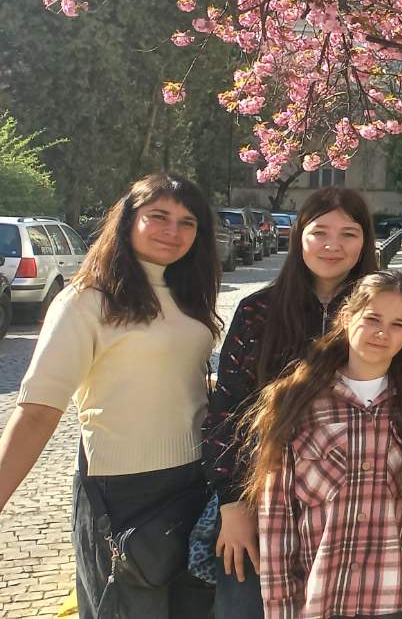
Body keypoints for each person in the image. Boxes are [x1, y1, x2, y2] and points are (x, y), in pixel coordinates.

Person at [0, 173, 221, 618]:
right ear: (127, 220)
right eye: (158, 216)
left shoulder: (188, 297)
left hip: (193, 480)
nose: (173, 231)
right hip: (120, 492)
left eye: (187, 222)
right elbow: (38, 409)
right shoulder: (86, 301)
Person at [204, 187, 380, 619]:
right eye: (320, 232)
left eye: (349, 233)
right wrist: (232, 502)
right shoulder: (257, 311)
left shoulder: (383, 316)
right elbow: (227, 409)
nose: (332, 245)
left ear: (365, 242)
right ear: (299, 235)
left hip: (353, 503)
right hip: (262, 498)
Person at [248, 271, 402, 619]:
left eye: (398, 325)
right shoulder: (299, 399)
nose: (382, 332)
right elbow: (277, 513)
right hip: (321, 594)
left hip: (394, 591)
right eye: (372, 318)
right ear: (346, 317)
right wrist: (280, 604)